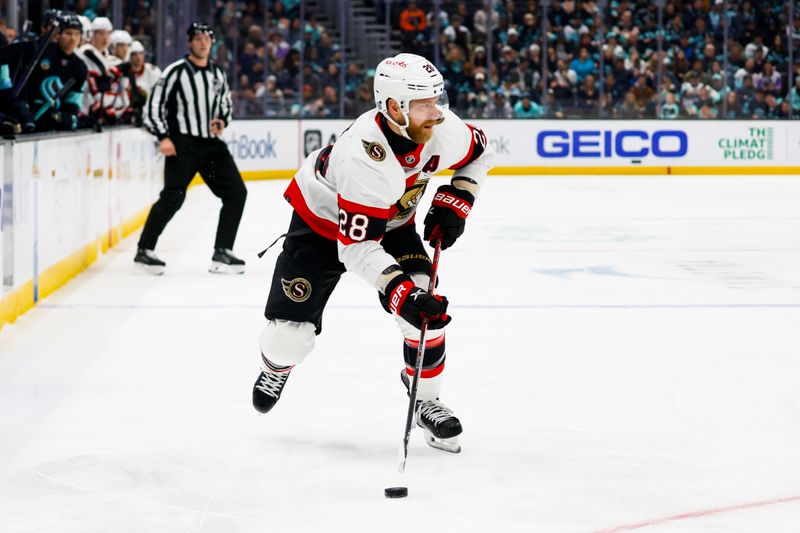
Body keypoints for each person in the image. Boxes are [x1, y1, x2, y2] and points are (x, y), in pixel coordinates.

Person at [251, 53, 493, 453]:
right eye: (425, 104)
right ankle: (277, 366)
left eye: (438, 99)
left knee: (426, 317)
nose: (438, 112)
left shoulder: (440, 128)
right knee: (288, 339)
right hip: (321, 226)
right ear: (394, 107)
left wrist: (459, 196)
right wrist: (400, 293)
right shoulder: (363, 157)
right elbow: (357, 248)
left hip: (393, 224)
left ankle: (426, 399)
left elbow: (482, 151)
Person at [136, 22, 247, 275]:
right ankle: (144, 251)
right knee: (173, 197)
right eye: (198, 38)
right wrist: (163, 136)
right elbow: (154, 106)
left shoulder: (218, 73)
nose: (203, 42)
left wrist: (222, 119)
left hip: (210, 145)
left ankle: (222, 252)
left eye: (207, 37)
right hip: (182, 144)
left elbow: (225, 103)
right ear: (189, 42)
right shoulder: (175, 72)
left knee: (236, 193)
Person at [0, 12, 87, 133]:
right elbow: (18, 86)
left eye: (77, 34)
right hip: (31, 116)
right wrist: (24, 109)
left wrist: (65, 118)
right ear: (59, 35)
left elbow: (73, 102)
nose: (72, 38)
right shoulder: (41, 51)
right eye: (68, 33)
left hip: (52, 122)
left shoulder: (80, 66)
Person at [78, 17, 130, 126]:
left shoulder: (110, 60)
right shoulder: (84, 54)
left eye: (108, 34)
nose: (105, 37)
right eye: (101, 33)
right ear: (93, 35)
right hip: (85, 110)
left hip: (103, 113)